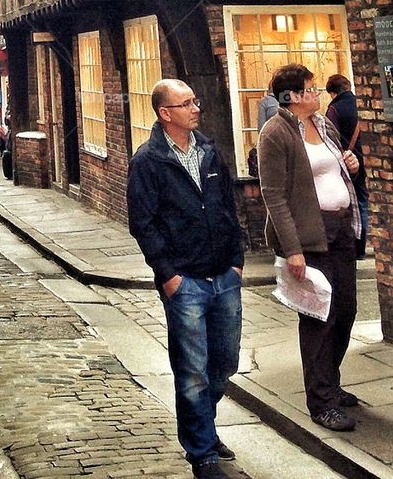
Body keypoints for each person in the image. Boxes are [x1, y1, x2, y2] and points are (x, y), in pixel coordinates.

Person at [127, 79, 243, 479]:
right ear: (165, 113)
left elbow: (229, 206)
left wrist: (237, 260)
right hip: (185, 282)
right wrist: (168, 275)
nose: (196, 108)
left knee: (225, 362)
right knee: (192, 370)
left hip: (223, 275)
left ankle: (202, 429)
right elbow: (143, 222)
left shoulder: (209, 151)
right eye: (186, 103)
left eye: (195, 100)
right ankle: (203, 453)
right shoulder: (148, 161)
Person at [258, 63, 361, 433]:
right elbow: (273, 195)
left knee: (346, 309)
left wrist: (351, 162)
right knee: (320, 316)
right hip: (309, 234)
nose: (317, 93)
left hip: (342, 229)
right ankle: (321, 403)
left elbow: (338, 170)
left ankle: (329, 382)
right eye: (310, 88)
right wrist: (293, 249)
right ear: (292, 96)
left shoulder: (325, 124)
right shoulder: (276, 133)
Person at [325, 75, 369, 260]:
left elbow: (329, 138)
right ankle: (362, 246)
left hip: (345, 161)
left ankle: (353, 244)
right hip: (363, 159)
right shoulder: (362, 104)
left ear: (332, 92)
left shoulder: (334, 109)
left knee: (350, 204)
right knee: (362, 202)